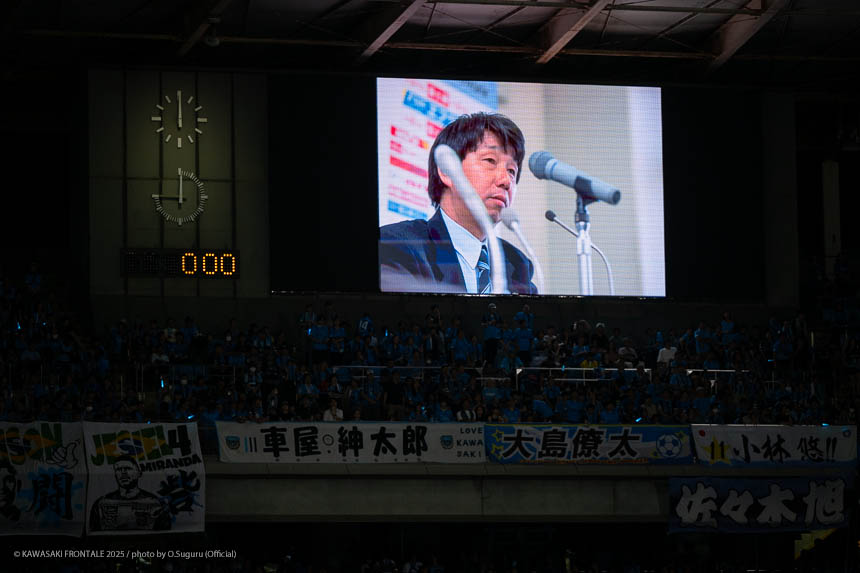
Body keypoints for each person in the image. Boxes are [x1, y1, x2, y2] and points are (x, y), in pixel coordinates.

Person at [379, 112, 538, 294]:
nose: (506, 181)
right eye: (490, 160)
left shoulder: (516, 264)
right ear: (447, 171)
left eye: (512, 171)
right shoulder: (398, 245)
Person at [89, 455, 171, 531]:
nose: (123, 472)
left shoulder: (155, 502)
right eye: (119, 469)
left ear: (139, 473)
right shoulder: (101, 503)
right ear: (115, 475)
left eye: (128, 468)